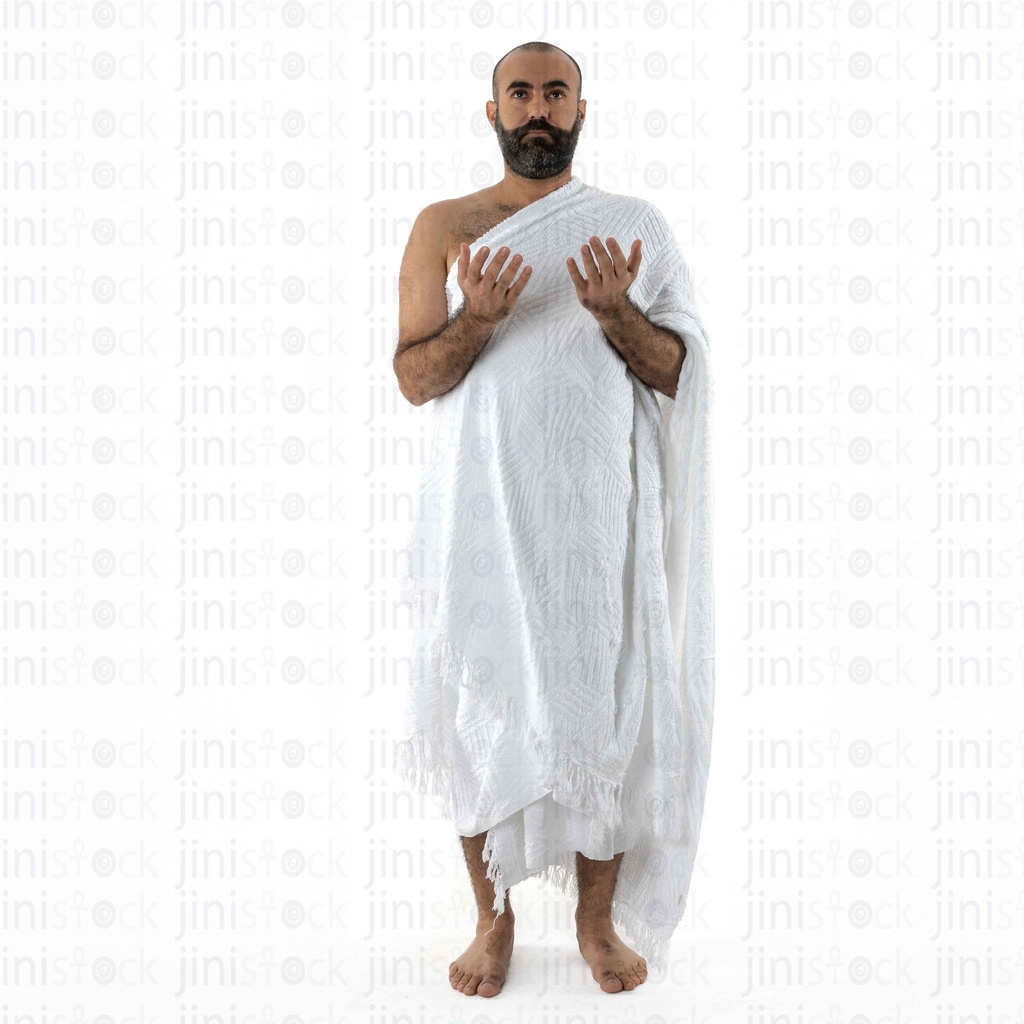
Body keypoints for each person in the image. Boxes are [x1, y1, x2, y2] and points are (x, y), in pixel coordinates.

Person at [392, 41, 715, 998]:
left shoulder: (633, 226)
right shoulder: (445, 225)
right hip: (480, 519)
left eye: (556, 93)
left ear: (583, 109)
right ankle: (491, 920)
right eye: (520, 93)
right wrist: (479, 319)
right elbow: (415, 378)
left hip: (595, 524)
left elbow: (677, 372)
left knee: (606, 710)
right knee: (478, 702)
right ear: (490, 111)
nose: (539, 109)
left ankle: (595, 920)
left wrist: (618, 312)